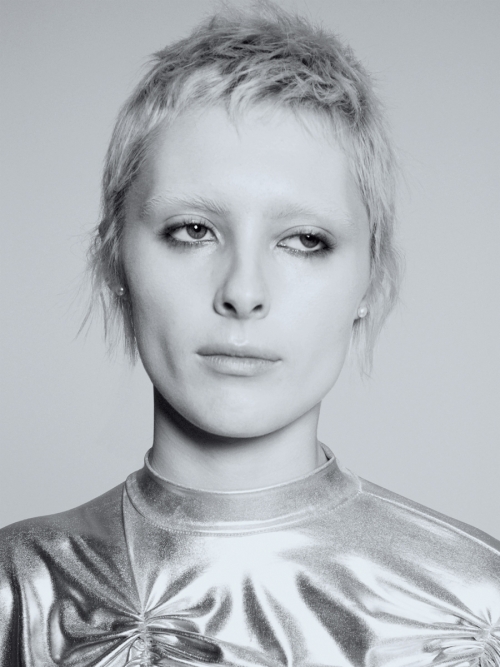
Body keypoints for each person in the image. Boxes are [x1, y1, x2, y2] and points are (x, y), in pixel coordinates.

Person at [1, 3, 499, 666]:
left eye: (305, 240)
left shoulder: (477, 609)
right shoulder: (17, 590)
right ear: (115, 260)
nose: (243, 290)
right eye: (193, 230)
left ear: (371, 281)